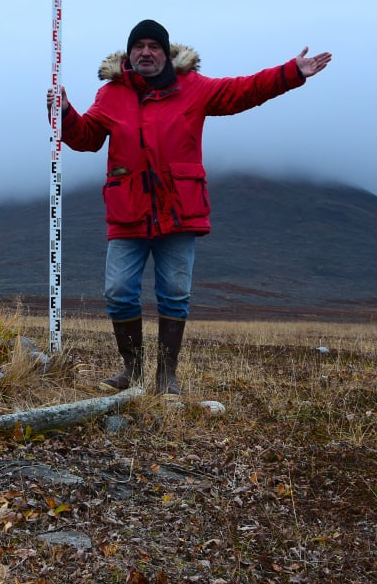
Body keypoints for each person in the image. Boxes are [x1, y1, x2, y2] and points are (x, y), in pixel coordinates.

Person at [47, 19, 332, 395]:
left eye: (154, 46)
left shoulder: (193, 88)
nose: (146, 52)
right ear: (129, 54)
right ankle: (132, 371)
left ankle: (167, 377)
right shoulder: (110, 94)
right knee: (118, 291)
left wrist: (291, 73)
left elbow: (242, 91)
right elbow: (87, 139)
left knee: (175, 293)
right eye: (139, 46)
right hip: (128, 212)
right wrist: (65, 112)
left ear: (166, 53)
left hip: (179, 211)